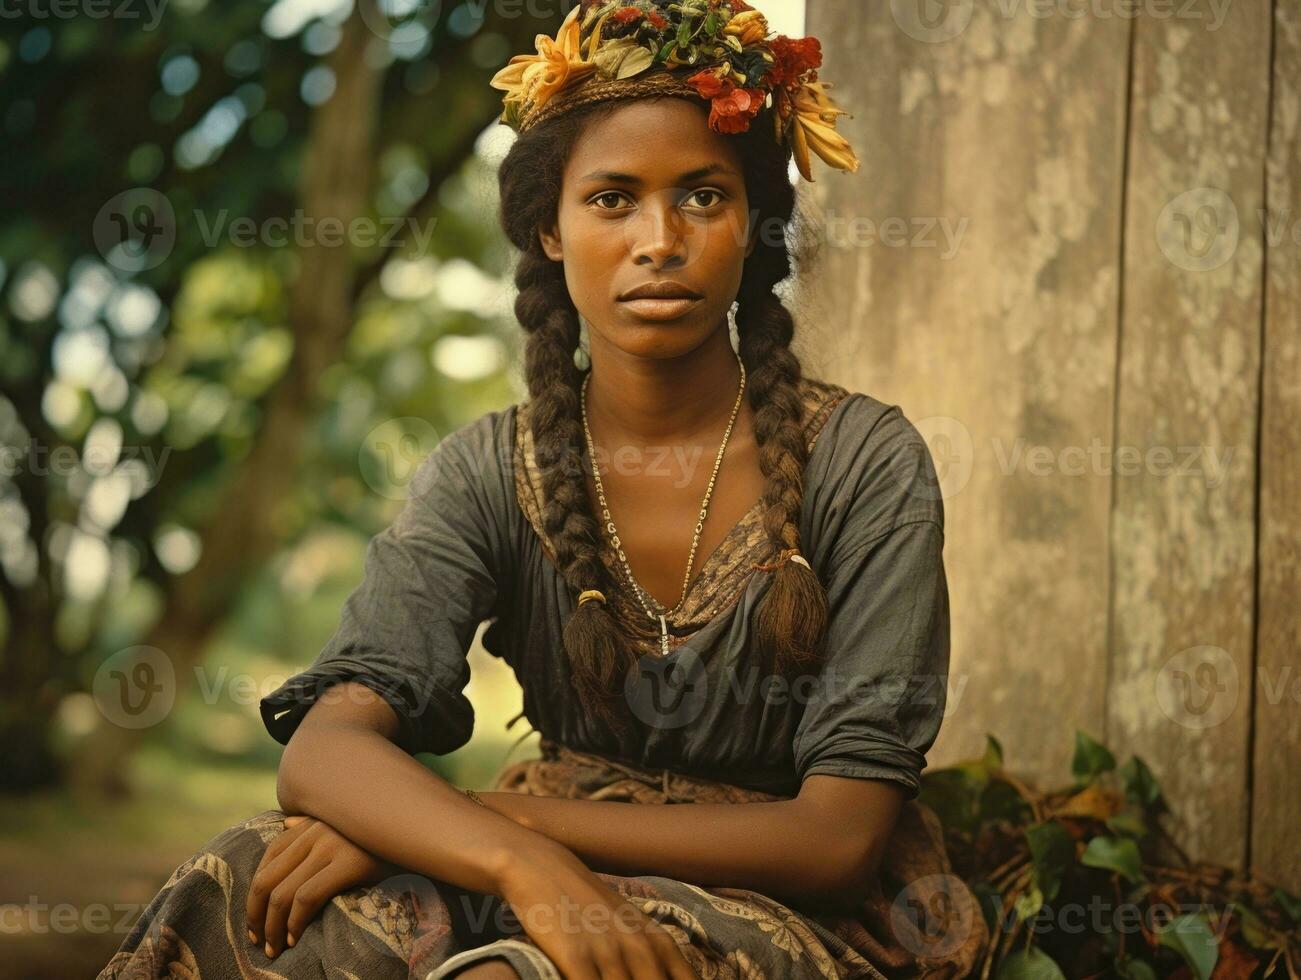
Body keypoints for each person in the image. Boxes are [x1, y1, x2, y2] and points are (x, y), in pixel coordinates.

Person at [99, 1, 988, 977]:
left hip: (773, 893)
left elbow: (834, 841)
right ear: (549, 230)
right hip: (538, 851)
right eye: (611, 198)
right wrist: (517, 860)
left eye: (701, 195)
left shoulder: (862, 462)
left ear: (750, 224)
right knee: (242, 878)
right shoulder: (488, 470)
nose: (659, 238)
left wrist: (495, 820)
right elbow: (322, 753)